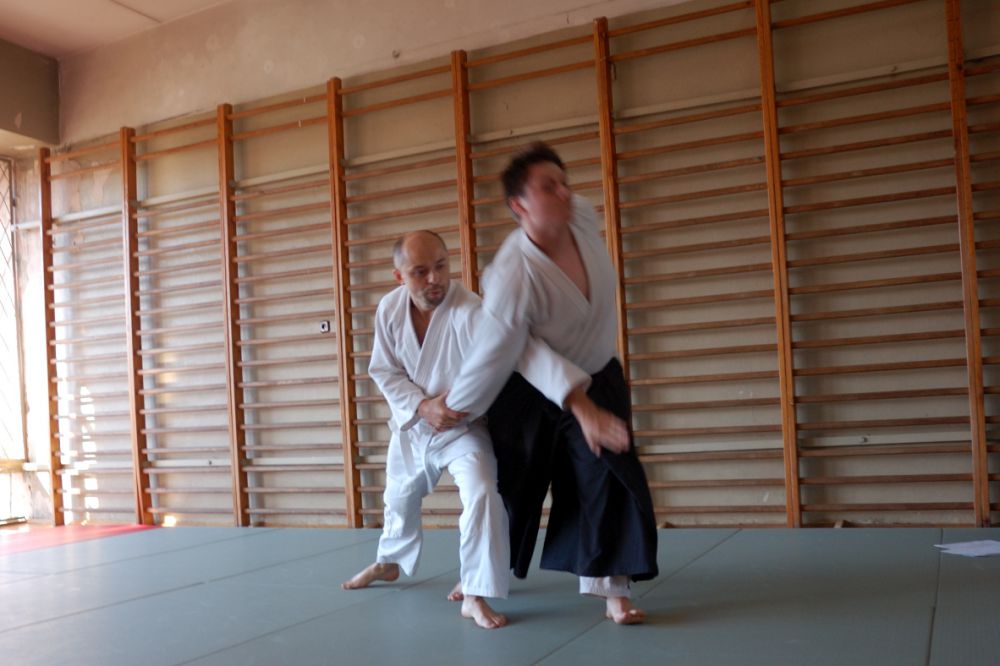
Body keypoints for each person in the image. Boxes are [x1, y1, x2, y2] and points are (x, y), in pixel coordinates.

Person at [438, 142, 659, 624]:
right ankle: (476, 578)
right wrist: (455, 407)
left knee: (608, 473)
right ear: (518, 205)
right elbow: (498, 352)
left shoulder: (582, 215)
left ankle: (611, 590)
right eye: (547, 187)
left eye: (564, 182)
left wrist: (589, 401)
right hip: (528, 389)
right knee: (514, 488)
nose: (563, 192)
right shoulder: (511, 274)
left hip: (597, 371)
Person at [341, 230, 509, 630]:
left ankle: (475, 592)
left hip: (461, 425)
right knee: (398, 498)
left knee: (482, 490)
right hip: (415, 425)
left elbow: (491, 372)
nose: (435, 279)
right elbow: (384, 370)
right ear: (399, 276)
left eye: (441, 266)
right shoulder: (389, 308)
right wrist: (422, 406)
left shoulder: (470, 311)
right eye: (420, 271)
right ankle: (388, 563)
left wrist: (453, 409)